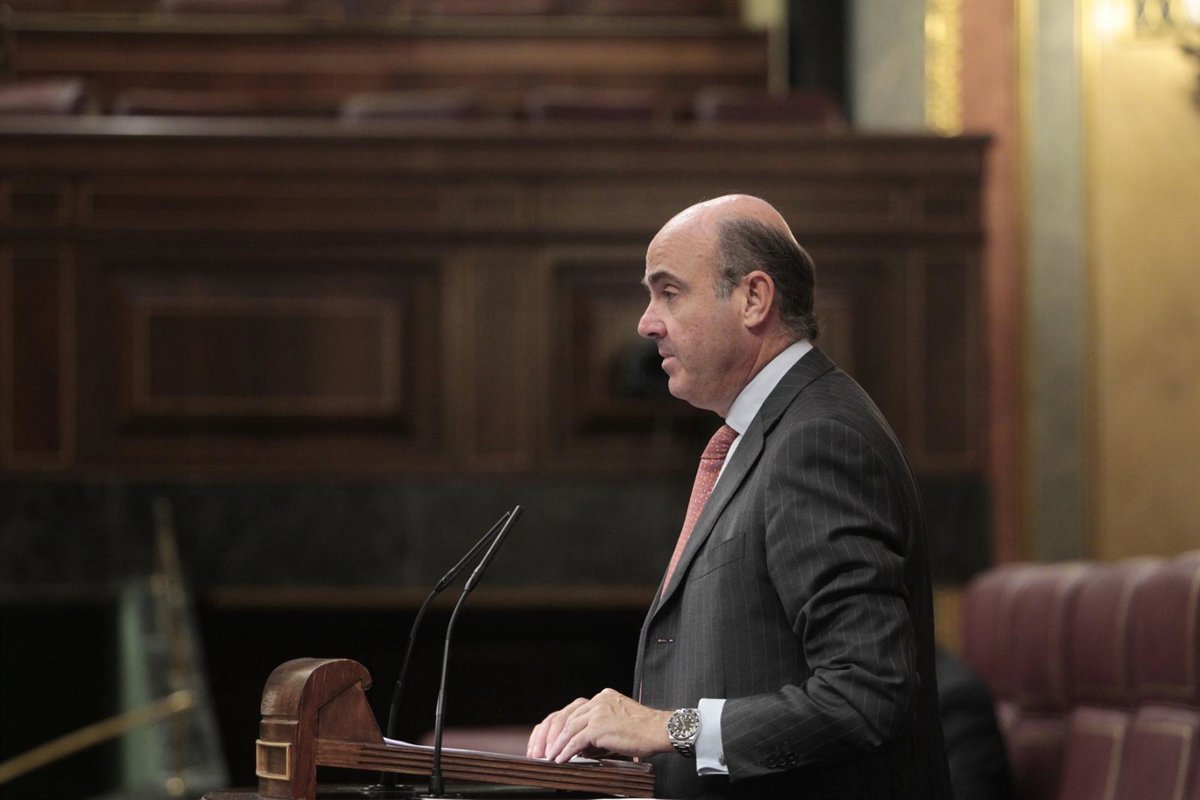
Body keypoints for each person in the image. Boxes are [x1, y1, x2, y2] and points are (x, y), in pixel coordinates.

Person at [526, 195, 952, 799]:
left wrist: (668, 728)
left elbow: (866, 693)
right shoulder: (768, 433)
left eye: (669, 293)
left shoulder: (817, 440)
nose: (646, 323)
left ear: (753, 298)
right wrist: (629, 744)